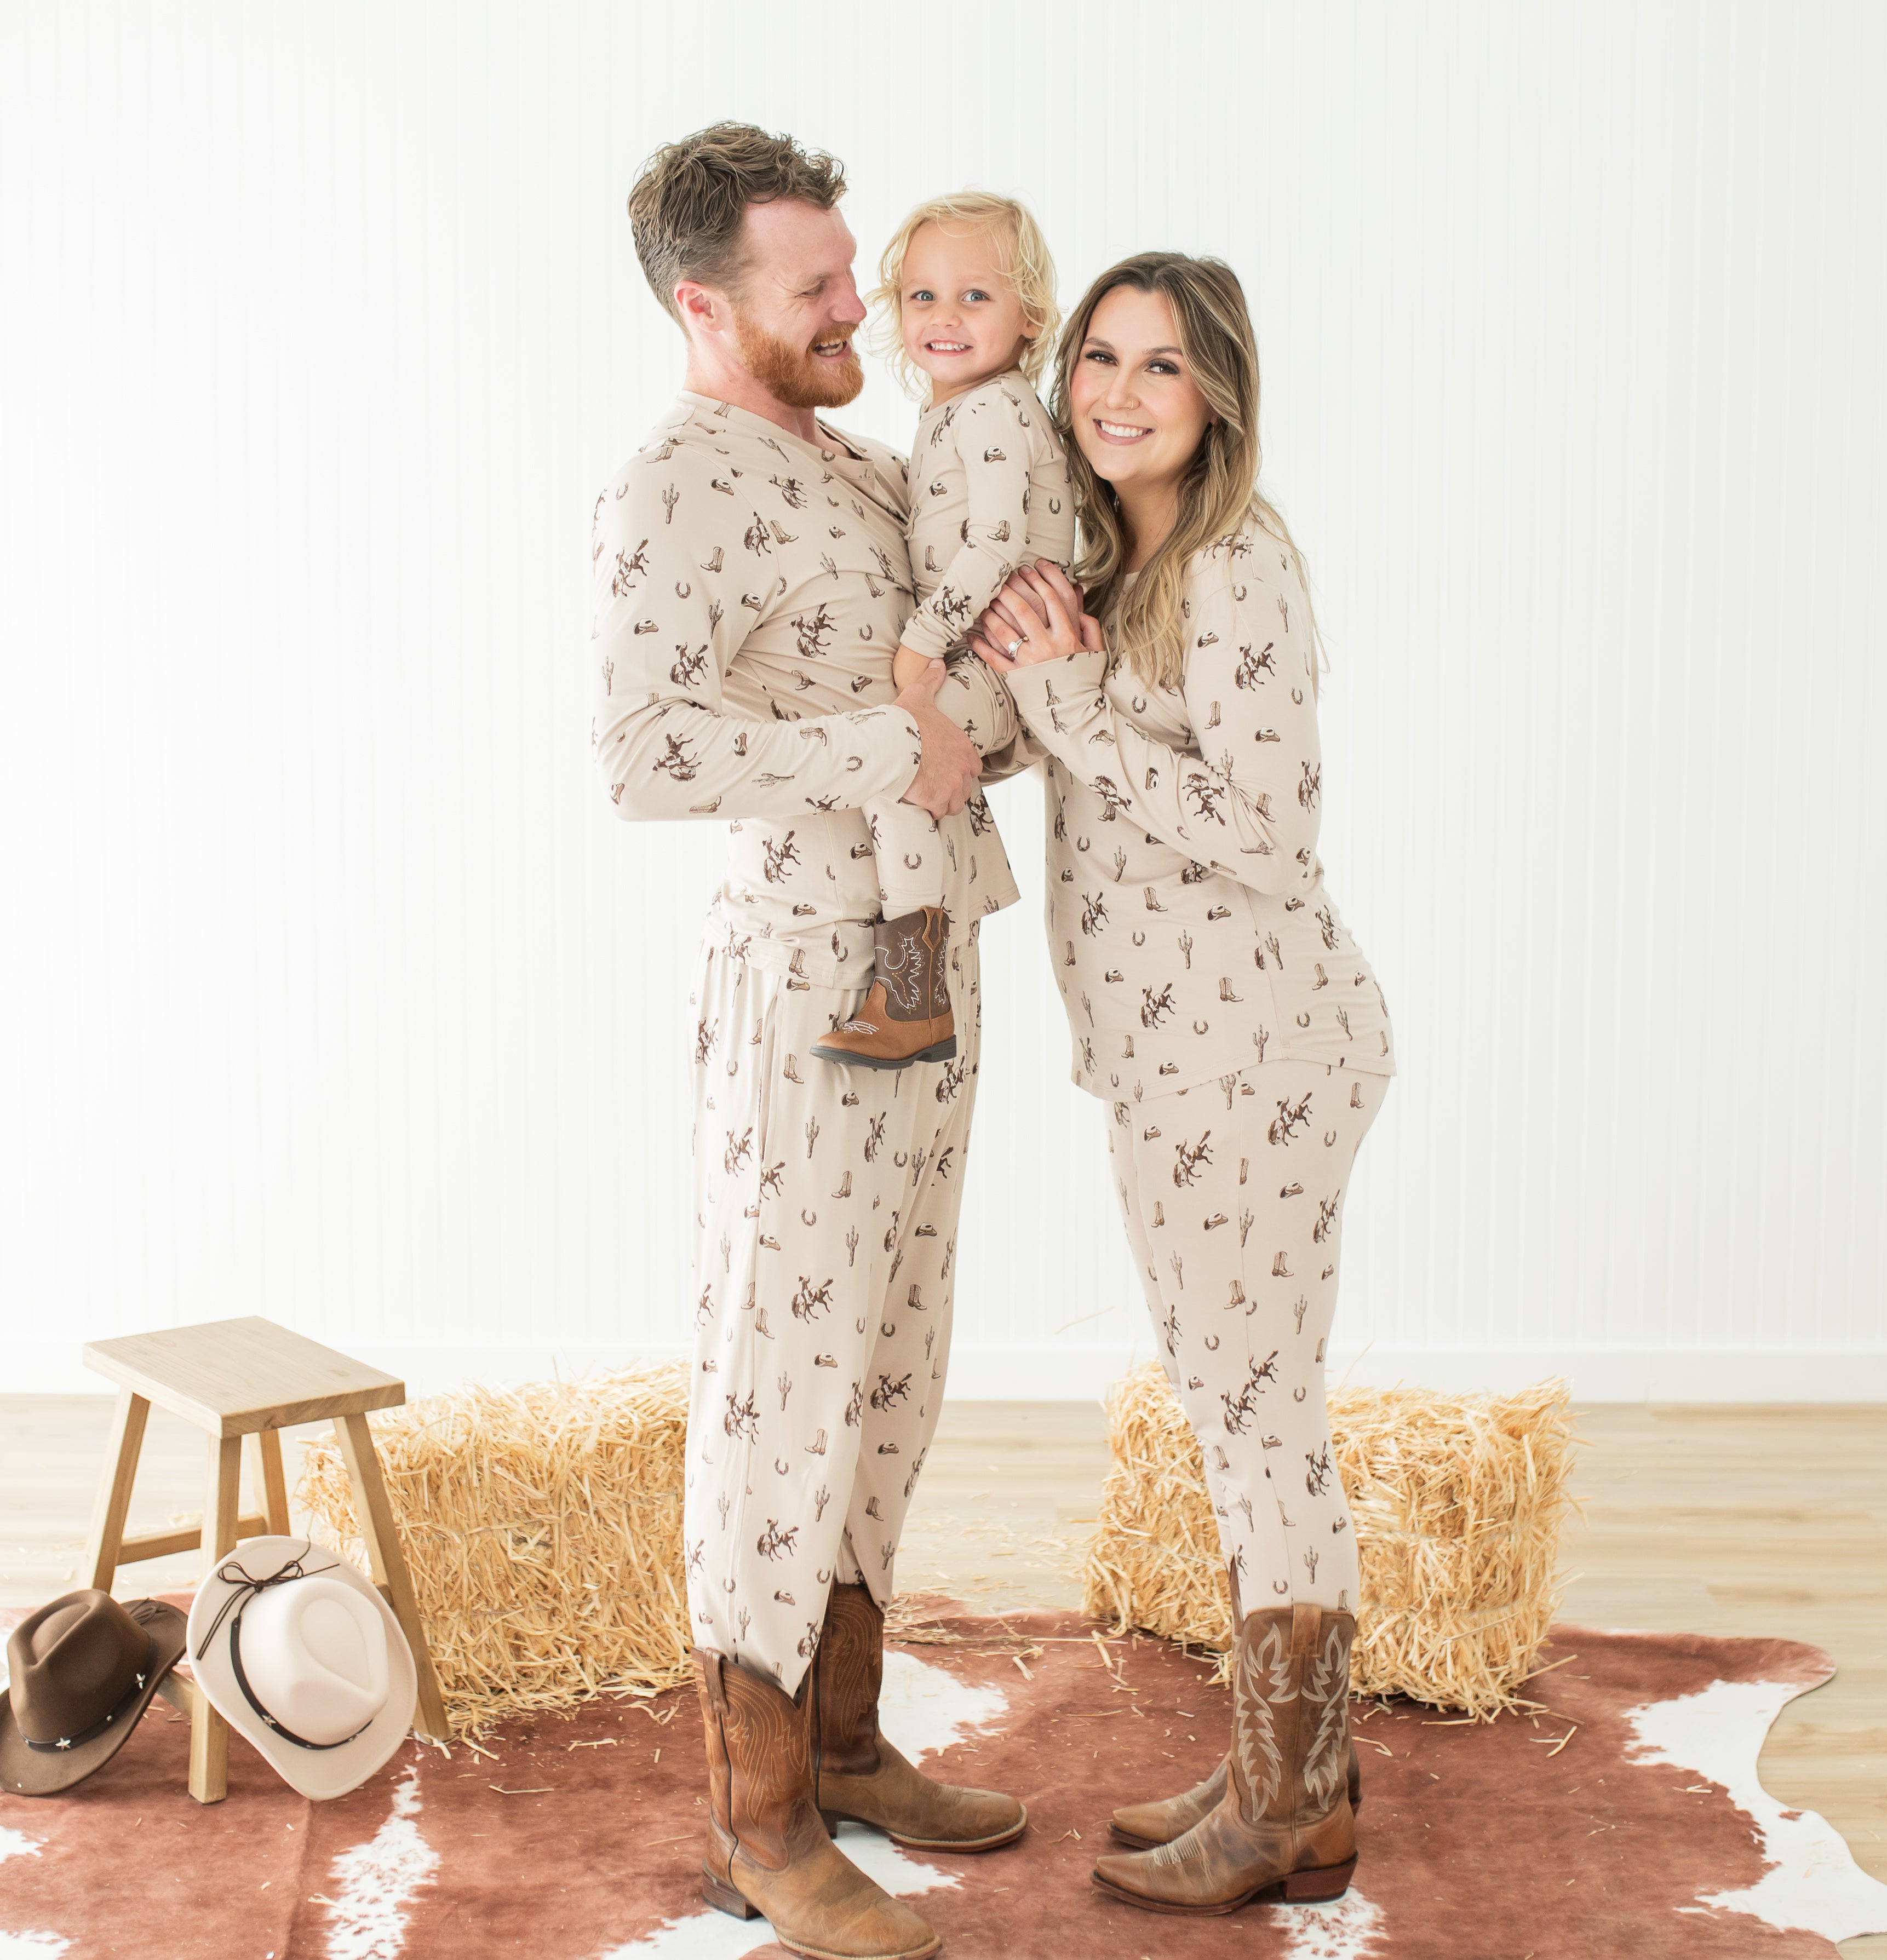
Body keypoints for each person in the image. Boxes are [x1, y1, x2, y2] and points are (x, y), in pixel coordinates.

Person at [593, 123, 1028, 1960]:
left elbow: (952, 713)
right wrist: (886, 748)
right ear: (707, 306)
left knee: (896, 1368)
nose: (871, 309)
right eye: (821, 288)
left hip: (933, 966)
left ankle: (848, 1741)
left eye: (858, 275)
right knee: (780, 1383)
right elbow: (641, 755)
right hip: (801, 986)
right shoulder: (674, 488)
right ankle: (762, 1821)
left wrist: (1009, 688)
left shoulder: (862, 466)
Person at [969, 252, 1396, 1917]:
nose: (1118, 393)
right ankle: (1284, 1763)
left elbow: (1270, 837)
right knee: (1239, 1405)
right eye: (1098, 358)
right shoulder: (1116, 560)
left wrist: (1071, 704)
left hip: (1256, 1056)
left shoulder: (1234, 569)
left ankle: (1294, 1807)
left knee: (1255, 1415)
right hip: (1180, 1058)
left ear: (1215, 394)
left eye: (1160, 366)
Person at [810, 192, 1074, 1070]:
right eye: (922, 296)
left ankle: (915, 1001)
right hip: (988, 651)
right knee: (911, 770)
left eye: (975, 296)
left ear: (1029, 315)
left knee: (897, 761)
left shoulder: (994, 409)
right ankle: (950, 927)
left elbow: (994, 539)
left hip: (995, 656)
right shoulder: (958, 411)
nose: (944, 317)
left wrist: (924, 643)